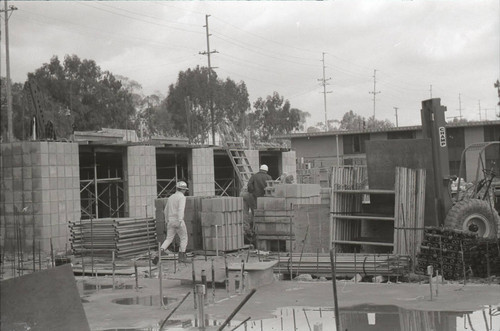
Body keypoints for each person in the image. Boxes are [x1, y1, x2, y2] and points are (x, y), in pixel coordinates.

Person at [153, 181, 190, 264]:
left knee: (168, 239)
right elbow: (181, 209)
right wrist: (180, 220)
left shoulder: (171, 197)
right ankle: (181, 257)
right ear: (183, 190)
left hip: (170, 221)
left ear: (177, 188)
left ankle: (158, 254)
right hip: (178, 220)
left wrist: (167, 221)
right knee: (184, 238)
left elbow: (166, 210)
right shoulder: (182, 197)